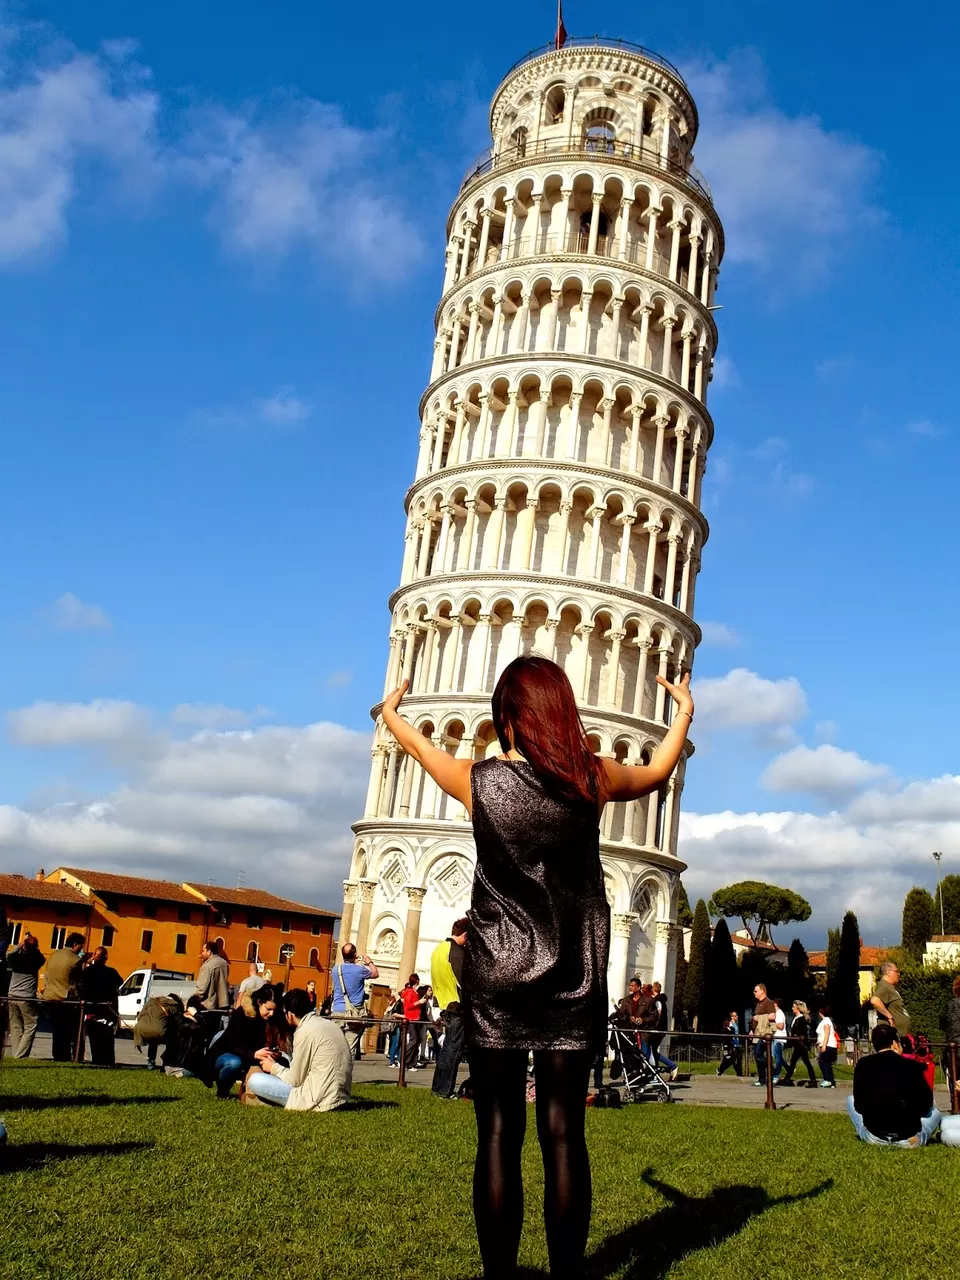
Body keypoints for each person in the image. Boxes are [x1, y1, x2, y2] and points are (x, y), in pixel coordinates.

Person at [381, 653, 693, 1280]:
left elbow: (420, 750)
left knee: (496, 1134)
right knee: (563, 1133)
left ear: (508, 718)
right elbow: (658, 770)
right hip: (573, 978)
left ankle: (499, 1276)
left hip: (495, 975)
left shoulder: (480, 782)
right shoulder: (591, 779)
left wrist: (392, 713)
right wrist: (681, 715)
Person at [244, 988, 353, 1111]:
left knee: (255, 1080)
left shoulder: (304, 1031)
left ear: (289, 1014)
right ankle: (262, 1100)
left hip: (318, 1099)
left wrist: (273, 1067)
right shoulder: (329, 1025)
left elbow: (295, 1080)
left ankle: (262, 1101)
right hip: (341, 1097)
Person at [846, 1022, 941, 1146]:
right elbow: (926, 1104)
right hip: (908, 1138)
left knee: (850, 1099)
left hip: (874, 1135)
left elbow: (858, 1105)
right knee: (936, 1112)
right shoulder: (911, 1065)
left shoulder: (863, 1064)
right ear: (894, 1043)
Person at [207, 985, 278, 1098]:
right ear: (259, 1002)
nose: (272, 1014)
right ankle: (222, 1089)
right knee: (235, 1063)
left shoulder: (270, 1020)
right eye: (268, 1009)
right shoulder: (242, 1014)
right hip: (226, 1053)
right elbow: (231, 1044)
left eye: (274, 1010)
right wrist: (253, 1054)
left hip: (249, 1057)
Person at [431, 918, 469, 1098]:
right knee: (453, 1050)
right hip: (457, 1005)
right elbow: (465, 981)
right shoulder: (456, 952)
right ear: (466, 934)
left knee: (446, 1049)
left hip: (445, 1004)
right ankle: (445, 1090)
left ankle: (437, 1088)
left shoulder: (439, 949)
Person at [330, 942, 378, 1059]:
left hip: (337, 1012)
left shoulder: (336, 969)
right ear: (355, 954)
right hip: (354, 1014)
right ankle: (346, 1075)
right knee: (349, 1049)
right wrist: (369, 962)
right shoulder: (360, 970)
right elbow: (375, 973)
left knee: (336, 1047)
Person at [43, 932, 85, 1061]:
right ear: (75, 944)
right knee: (67, 1030)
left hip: (50, 996)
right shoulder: (75, 959)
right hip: (65, 998)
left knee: (57, 1029)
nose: (81, 949)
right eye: (81, 946)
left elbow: (46, 974)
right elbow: (79, 980)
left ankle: (57, 1055)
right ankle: (66, 1056)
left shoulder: (54, 954)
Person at [79, 946, 123, 1065]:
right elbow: (120, 982)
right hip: (106, 1008)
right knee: (107, 1036)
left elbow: (81, 984)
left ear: (94, 956)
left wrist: (88, 963)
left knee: (94, 1036)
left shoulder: (88, 971)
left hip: (92, 1007)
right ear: (106, 957)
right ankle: (108, 1060)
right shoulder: (111, 972)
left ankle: (96, 1059)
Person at [5, 934, 45, 1058]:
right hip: (26, 997)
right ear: (36, 947)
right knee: (31, 1025)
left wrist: (19, 946)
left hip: (12, 995)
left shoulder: (15, 958)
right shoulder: (36, 959)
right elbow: (42, 958)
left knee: (15, 1025)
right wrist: (32, 946)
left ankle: (17, 1052)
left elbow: (9, 955)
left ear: (24, 946)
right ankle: (20, 1055)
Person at [779, 1000, 817, 1087]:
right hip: (797, 1044)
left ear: (798, 1008)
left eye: (793, 1007)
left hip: (800, 1044)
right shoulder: (796, 1018)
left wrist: (797, 1037)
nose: (792, 1009)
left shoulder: (801, 1019)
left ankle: (788, 1079)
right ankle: (788, 1079)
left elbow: (802, 1032)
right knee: (796, 1062)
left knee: (802, 1062)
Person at [870, 961, 910, 1038]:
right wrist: (890, 1017)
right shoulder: (884, 986)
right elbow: (874, 1000)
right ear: (888, 972)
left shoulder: (889, 987)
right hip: (890, 1036)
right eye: (896, 971)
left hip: (896, 1035)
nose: (898, 974)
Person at [647, 982, 678, 1082]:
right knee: (653, 1051)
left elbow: (658, 1015)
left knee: (651, 1051)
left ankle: (670, 1066)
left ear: (653, 989)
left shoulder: (657, 1001)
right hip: (662, 1029)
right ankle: (657, 1073)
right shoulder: (662, 1000)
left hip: (657, 1029)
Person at [749, 983, 777, 1087]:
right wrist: (752, 1030)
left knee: (758, 1054)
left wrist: (759, 1018)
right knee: (757, 1056)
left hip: (765, 1032)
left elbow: (772, 1016)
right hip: (757, 1032)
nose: (754, 993)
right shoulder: (758, 1003)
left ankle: (771, 1067)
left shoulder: (768, 1002)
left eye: (756, 991)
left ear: (762, 991)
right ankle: (761, 1079)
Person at [401, 973, 428, 1069]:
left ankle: (409, 1062)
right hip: (411, 1018)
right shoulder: (409, 992)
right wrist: (419, 1002)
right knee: (414, 1039)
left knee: (416, 1040)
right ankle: (403, 1058)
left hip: (416, 1018)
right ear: (416, 981)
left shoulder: (414, 992)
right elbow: (408, 1006)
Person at [196, 940, 230, 1010]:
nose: (202, 953)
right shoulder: (225, 963)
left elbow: (201, 990)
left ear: (209, 952)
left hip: (208, 1005)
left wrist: (193, 1001)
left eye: (203, 951)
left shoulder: (207, 966)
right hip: (222, 1004)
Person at [816, 1003, 840, 1088]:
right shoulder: (826, 1021)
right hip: (827, 1044)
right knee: (826, 1063)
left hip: (828, 1045)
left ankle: (828, 1079)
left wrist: (824, 1045)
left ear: (820, 1013)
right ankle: (830, 1081)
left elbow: (827, 1034)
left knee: (823, 1062)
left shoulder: (826, 1021)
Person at [717, 1012, 742, 1076]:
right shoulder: (730, 1024)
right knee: (730, 1059)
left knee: (737, 1059)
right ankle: (720, 1069)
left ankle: (739, 1073)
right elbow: (730, 1033)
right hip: (732, 1044)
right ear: (732, 1017)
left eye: (737, 1015)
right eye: (735, 1016)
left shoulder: (736, 1024)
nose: (737, 1017)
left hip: (736, 1044)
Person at [771, 997, 788, 1083]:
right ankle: (788, 1068)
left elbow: (781, 1026)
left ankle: (776, 1075)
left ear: (775, 1004)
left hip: (779, 1037)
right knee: (775, 1056)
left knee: (777, 1057)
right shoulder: (775, 1013)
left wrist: (773, 1023)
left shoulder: (779, 1013)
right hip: (774, 1037)